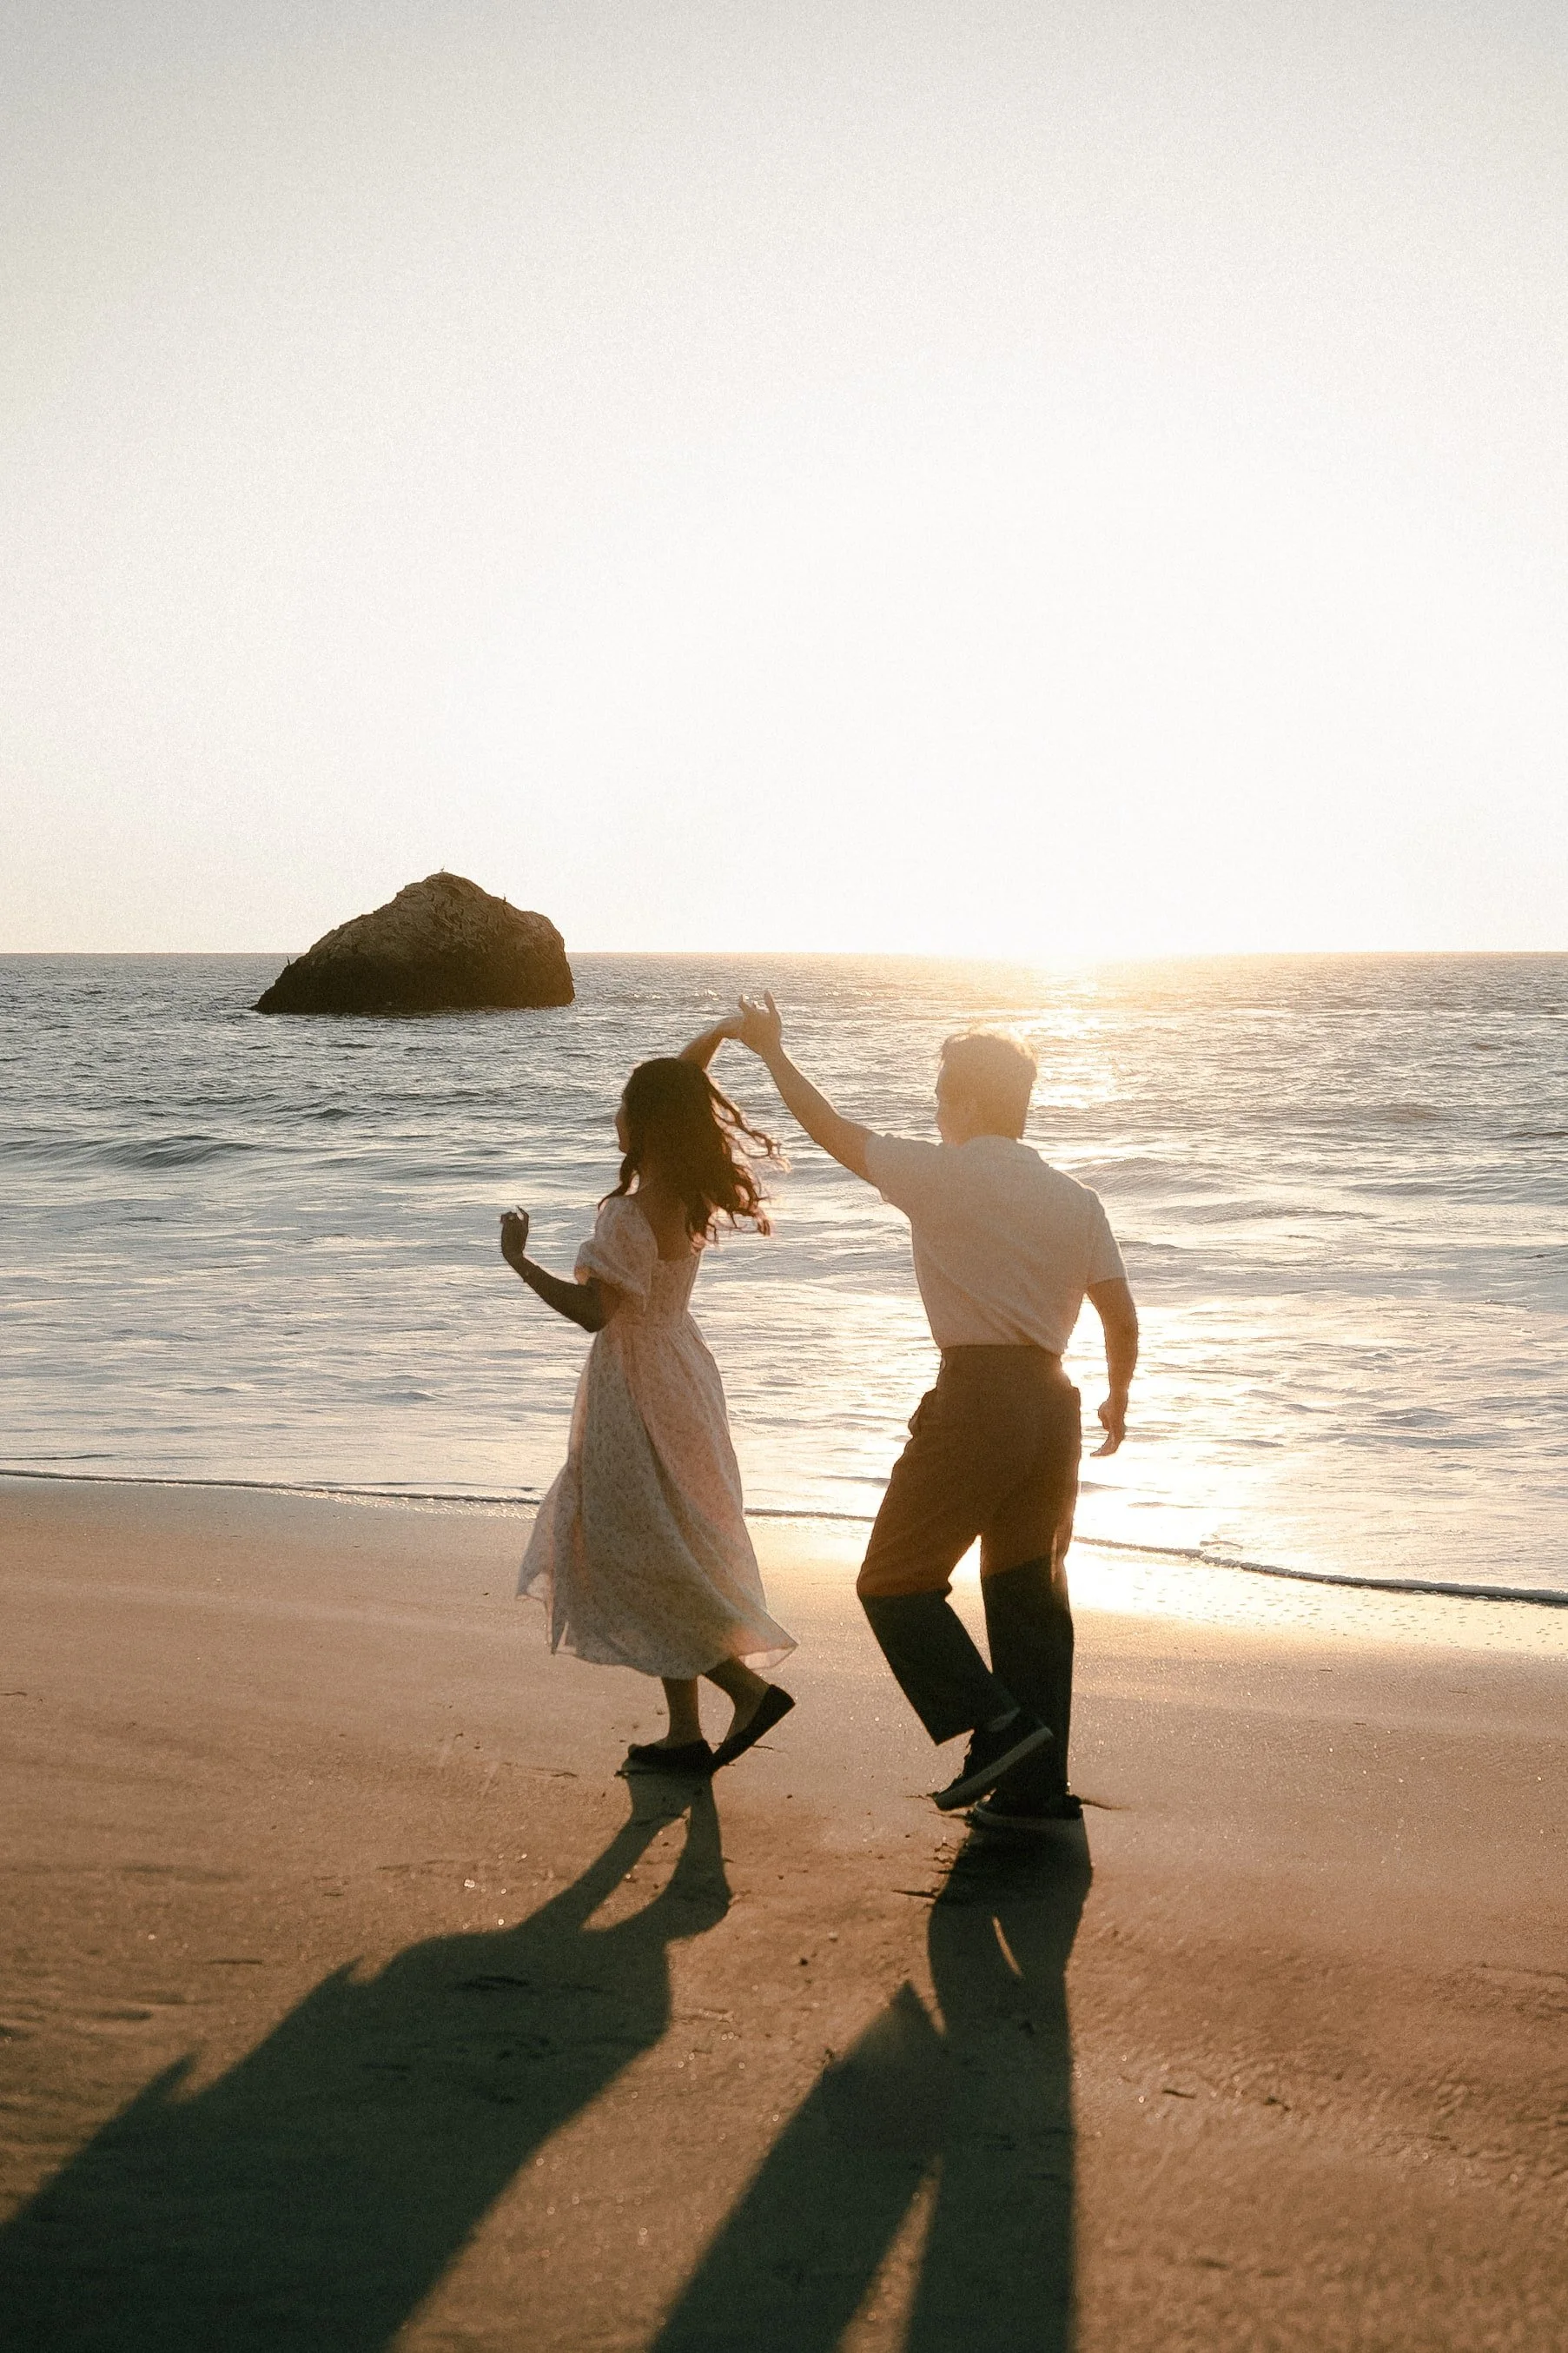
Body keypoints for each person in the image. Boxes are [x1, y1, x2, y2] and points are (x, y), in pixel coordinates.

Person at [733, 993, 1138, 1829]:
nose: (935, 1108)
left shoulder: (937, 1173)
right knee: (1027, 1597)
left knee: (892, 1581)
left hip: (978, 1400)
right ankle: (1037, 1791)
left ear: (965, 1101)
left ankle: (994, 1727)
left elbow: (830, 1129)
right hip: (1053, 1405)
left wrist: (772, 1053)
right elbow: (1119, 1315)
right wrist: (1117, 1397)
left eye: (940, 1094)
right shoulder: (1076, 1198)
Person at [500, 1017, 797, 1778]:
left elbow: (595, 1315)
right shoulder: (683, 1192)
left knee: (636, 1548)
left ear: (645, 1123)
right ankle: (683, 1735)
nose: (614, 1117)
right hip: (681, 1373)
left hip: (633, 1388)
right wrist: (718, 1036)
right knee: (664, 1544)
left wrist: (520, 1264)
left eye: (623, 1106)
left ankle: (745, 1689)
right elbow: (677, 1087)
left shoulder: (628, 1215)